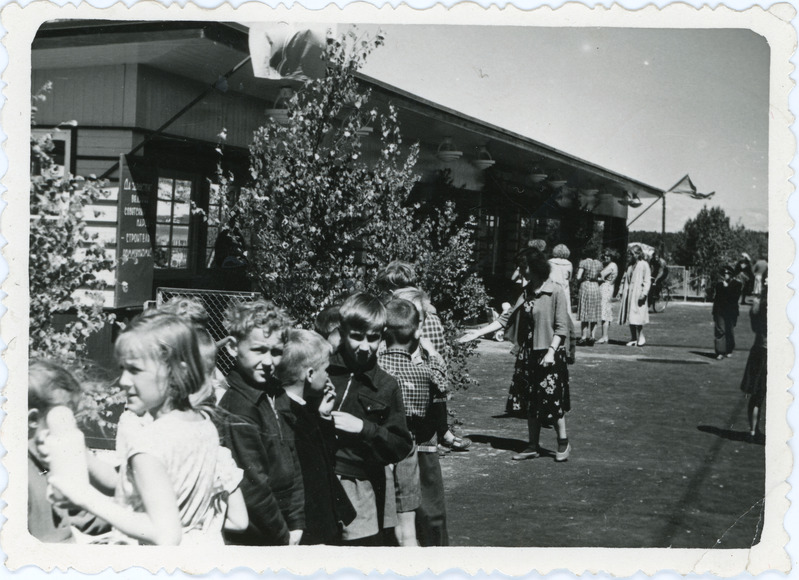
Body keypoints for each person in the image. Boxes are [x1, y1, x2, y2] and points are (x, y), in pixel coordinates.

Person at [44, 313, 247, 546]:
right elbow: (131, 484)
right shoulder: (203, 425)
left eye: (135, 370)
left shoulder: (149, 445)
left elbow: (165, 534)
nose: (123, 380)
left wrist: (84, 495)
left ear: (176, 371)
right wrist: (82, 455)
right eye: (123, 369)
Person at [459, 248, 572, 462]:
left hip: (550, 353)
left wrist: (550, 352)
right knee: (530, 400)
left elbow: (561, 328)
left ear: (535, 267)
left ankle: (563, 442)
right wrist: (477, 333)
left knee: (552, 400)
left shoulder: (555, 291)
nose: (520, 271)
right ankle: (532, 445)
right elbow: (505, 319)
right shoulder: (526, 292)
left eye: (523, 267)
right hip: (528, 353)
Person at [327, 292, 414, 545]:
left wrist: (365, 429)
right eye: (356, 337)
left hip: (359, 486)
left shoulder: (386, 386)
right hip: (319, 478)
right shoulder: (323, 369)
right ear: (342, 332)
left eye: (373, 338)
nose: (365, 347)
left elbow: (401, 445)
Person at [218, 299, 306, 546]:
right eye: (259, 350)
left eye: (276, 352)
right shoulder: (238, 406)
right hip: (256, 533)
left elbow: (293, 457)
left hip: (283, 523)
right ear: (234, 347)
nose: (268, 362)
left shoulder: (276, 395)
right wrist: (283, 536)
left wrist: (297, 521)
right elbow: (252, 485)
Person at [376, 260, 470, 453]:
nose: (389, 294)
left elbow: (438, 376)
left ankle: (441, 432)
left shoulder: (424, 320)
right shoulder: (389, 319)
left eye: (390, 289)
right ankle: (442, 433)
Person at [275, 329, 356, 545]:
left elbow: (325, 456)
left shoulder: (303, 408)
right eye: (326, 370)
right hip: (312, 526)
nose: (328, 376)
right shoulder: (289, 416)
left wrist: (324, 415)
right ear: (310, 374)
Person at [387, 290, 450, 546]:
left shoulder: (424, 353)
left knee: (430, 511)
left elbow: (440, 399)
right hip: (401, 444)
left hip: (423, 443)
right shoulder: (392, 355)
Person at [28, 360, 110, 543]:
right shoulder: (18, 476)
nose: (73, 430)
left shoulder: (49, 464)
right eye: (64, 420)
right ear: (33, 419)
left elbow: (80, 515)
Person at [741, 269, 767, 441]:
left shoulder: (757, 305)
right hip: (771, 351)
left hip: (759, 349)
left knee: (757, 393)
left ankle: (753, 429)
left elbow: (754, 327)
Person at [618, 245, 651, 347]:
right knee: (630, 316)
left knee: (638, 316)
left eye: (631, 254)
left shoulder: (644, 265)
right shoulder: (629, 266)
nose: (629, 256)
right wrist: (621, 290)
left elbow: (647, 280)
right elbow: (624, 279)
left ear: (637, 254)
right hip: (629, 294)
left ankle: (641, 336)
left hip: (638, 294)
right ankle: (633, 338)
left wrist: (644, 293)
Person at [712, 265, 742, 360]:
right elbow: (717, 299)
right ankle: (720, 351)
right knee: (720, 331)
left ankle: (729, 350)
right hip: (720, 311)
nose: (725, 276)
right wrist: (714, 312)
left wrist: (727, 288)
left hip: (731, 311)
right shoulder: (719, 285)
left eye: (727, 274)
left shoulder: (737, 284)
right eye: (724, 274)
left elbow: (734, 298)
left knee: (730, 331)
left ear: (731, 275)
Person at [575, 249, 602, 345]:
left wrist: (583, 278)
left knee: (585, 312)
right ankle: (592, 337)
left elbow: (578, 277)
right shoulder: (599, 264)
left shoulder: (584, 263)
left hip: (586, 286)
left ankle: (583, 337)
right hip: (595, 287)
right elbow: (601, 277)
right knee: (594, 313)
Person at [596, 249, 619, 344]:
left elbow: (601, 274)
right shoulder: (613, 265)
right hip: (609, 287)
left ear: (611, 257)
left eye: (608, 256)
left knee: (604, 312)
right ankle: (605, 335)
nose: (605, 257)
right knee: (606, 312)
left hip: (606, 288)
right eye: (605, 255)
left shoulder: (611, 265)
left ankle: (604, 336)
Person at [548, 244, 573, 313]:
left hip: (552, 287)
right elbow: (569, 278)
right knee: (564, 310)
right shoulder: (569, 263)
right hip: (564, 288)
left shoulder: (550, 262)